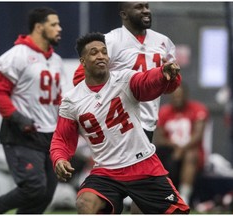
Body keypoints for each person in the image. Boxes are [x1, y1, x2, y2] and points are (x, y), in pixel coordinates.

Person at [50, 32, 190, 214]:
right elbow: (61, 138)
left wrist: (161, 74)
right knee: (85, 203)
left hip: (142, 166)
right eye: (93, 52)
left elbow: (146, 83)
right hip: (106, 172)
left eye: (103, 51)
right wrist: (59, 159)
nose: (100, 56)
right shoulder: (71, 100)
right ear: (83, 61)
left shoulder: (124, 78)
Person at [73, 2, 177, 212]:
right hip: (118, 127)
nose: (146, 11)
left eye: (147, 6)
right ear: (124, 14)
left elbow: (171, 85)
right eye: (139, 7)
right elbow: (80, 79)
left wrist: (170, 77)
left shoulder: (164, 42)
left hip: (146, 125)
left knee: (145, 201)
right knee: (107, 196)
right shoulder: (110, 41)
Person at [0, 7, 65, 214]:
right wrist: (17, 117)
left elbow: (57, 99)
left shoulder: (56, 60)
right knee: (34, 187)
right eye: (54, 24)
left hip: (49, 135)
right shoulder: (17, 55)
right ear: (39, 27)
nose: (59, 29)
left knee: (46, 193)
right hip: (22, 133)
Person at [153, 84, 209, 205]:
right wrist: (174, 147)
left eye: (180, 96)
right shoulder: (164, 112)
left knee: (191, 154)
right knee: (154, 154)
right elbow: (159, 138)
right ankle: (155, 193)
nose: (177, 99)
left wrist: (182, 149)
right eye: (175, 96)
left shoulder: (198, 109)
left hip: (191, 154)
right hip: (171, 152)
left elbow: (198, 135)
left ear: (186, 96)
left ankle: (184, 196)